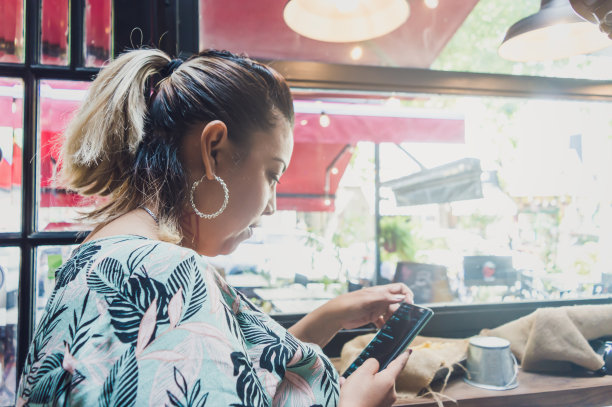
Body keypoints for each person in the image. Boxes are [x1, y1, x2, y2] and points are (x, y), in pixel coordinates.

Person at [17, 48, 414, 406]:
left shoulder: (97, 257)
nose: (273, 205)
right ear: (213, 150)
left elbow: (216, 369)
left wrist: (328, 317)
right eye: (272, 174)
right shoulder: (170, 275)